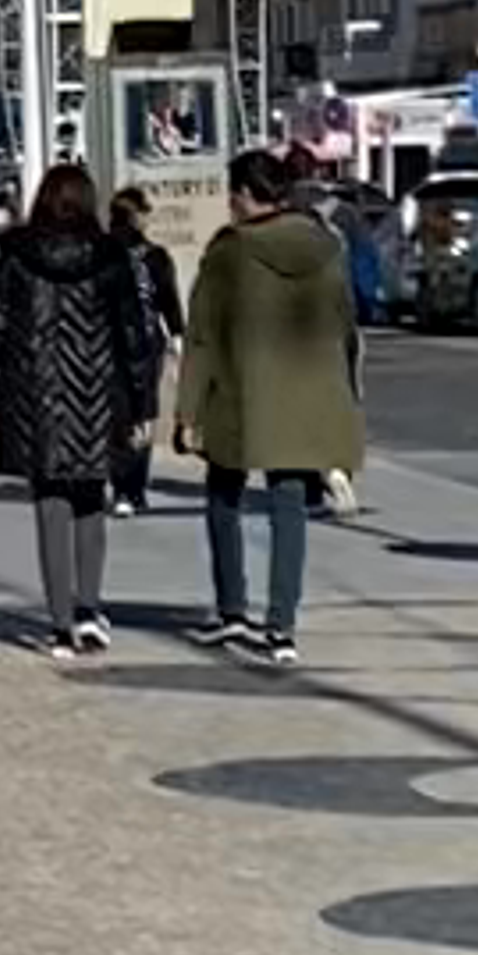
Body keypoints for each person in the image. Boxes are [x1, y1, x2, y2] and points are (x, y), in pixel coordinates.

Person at [0, 163, 168, 663]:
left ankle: (58, 625)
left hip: (33, 392)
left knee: (49, 501)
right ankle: (88, 609)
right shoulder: (112, 256)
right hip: (100, 393)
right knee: (90, 500)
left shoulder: (15, 256)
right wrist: (143, 400)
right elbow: (131, 334)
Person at [176, 146, 365, 663]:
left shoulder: (231, 250)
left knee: (223, 494)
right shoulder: (326, 247)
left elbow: (203, 335)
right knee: (289, 504)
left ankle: (233, 610)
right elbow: (346, 328)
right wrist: (346, 397)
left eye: (231, 195)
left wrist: (187, 410)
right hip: (309, 390)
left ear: (241, 196)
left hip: (241, 390)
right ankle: (282, 625)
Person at [104, 181, 184, 515]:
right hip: (149, 342)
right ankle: (135, 486)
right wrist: (178, 335)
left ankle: (122, 486)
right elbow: (168, 300)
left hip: (107, 343)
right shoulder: (155, 256)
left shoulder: (100, 254)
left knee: (115, 414)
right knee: (144, 412)